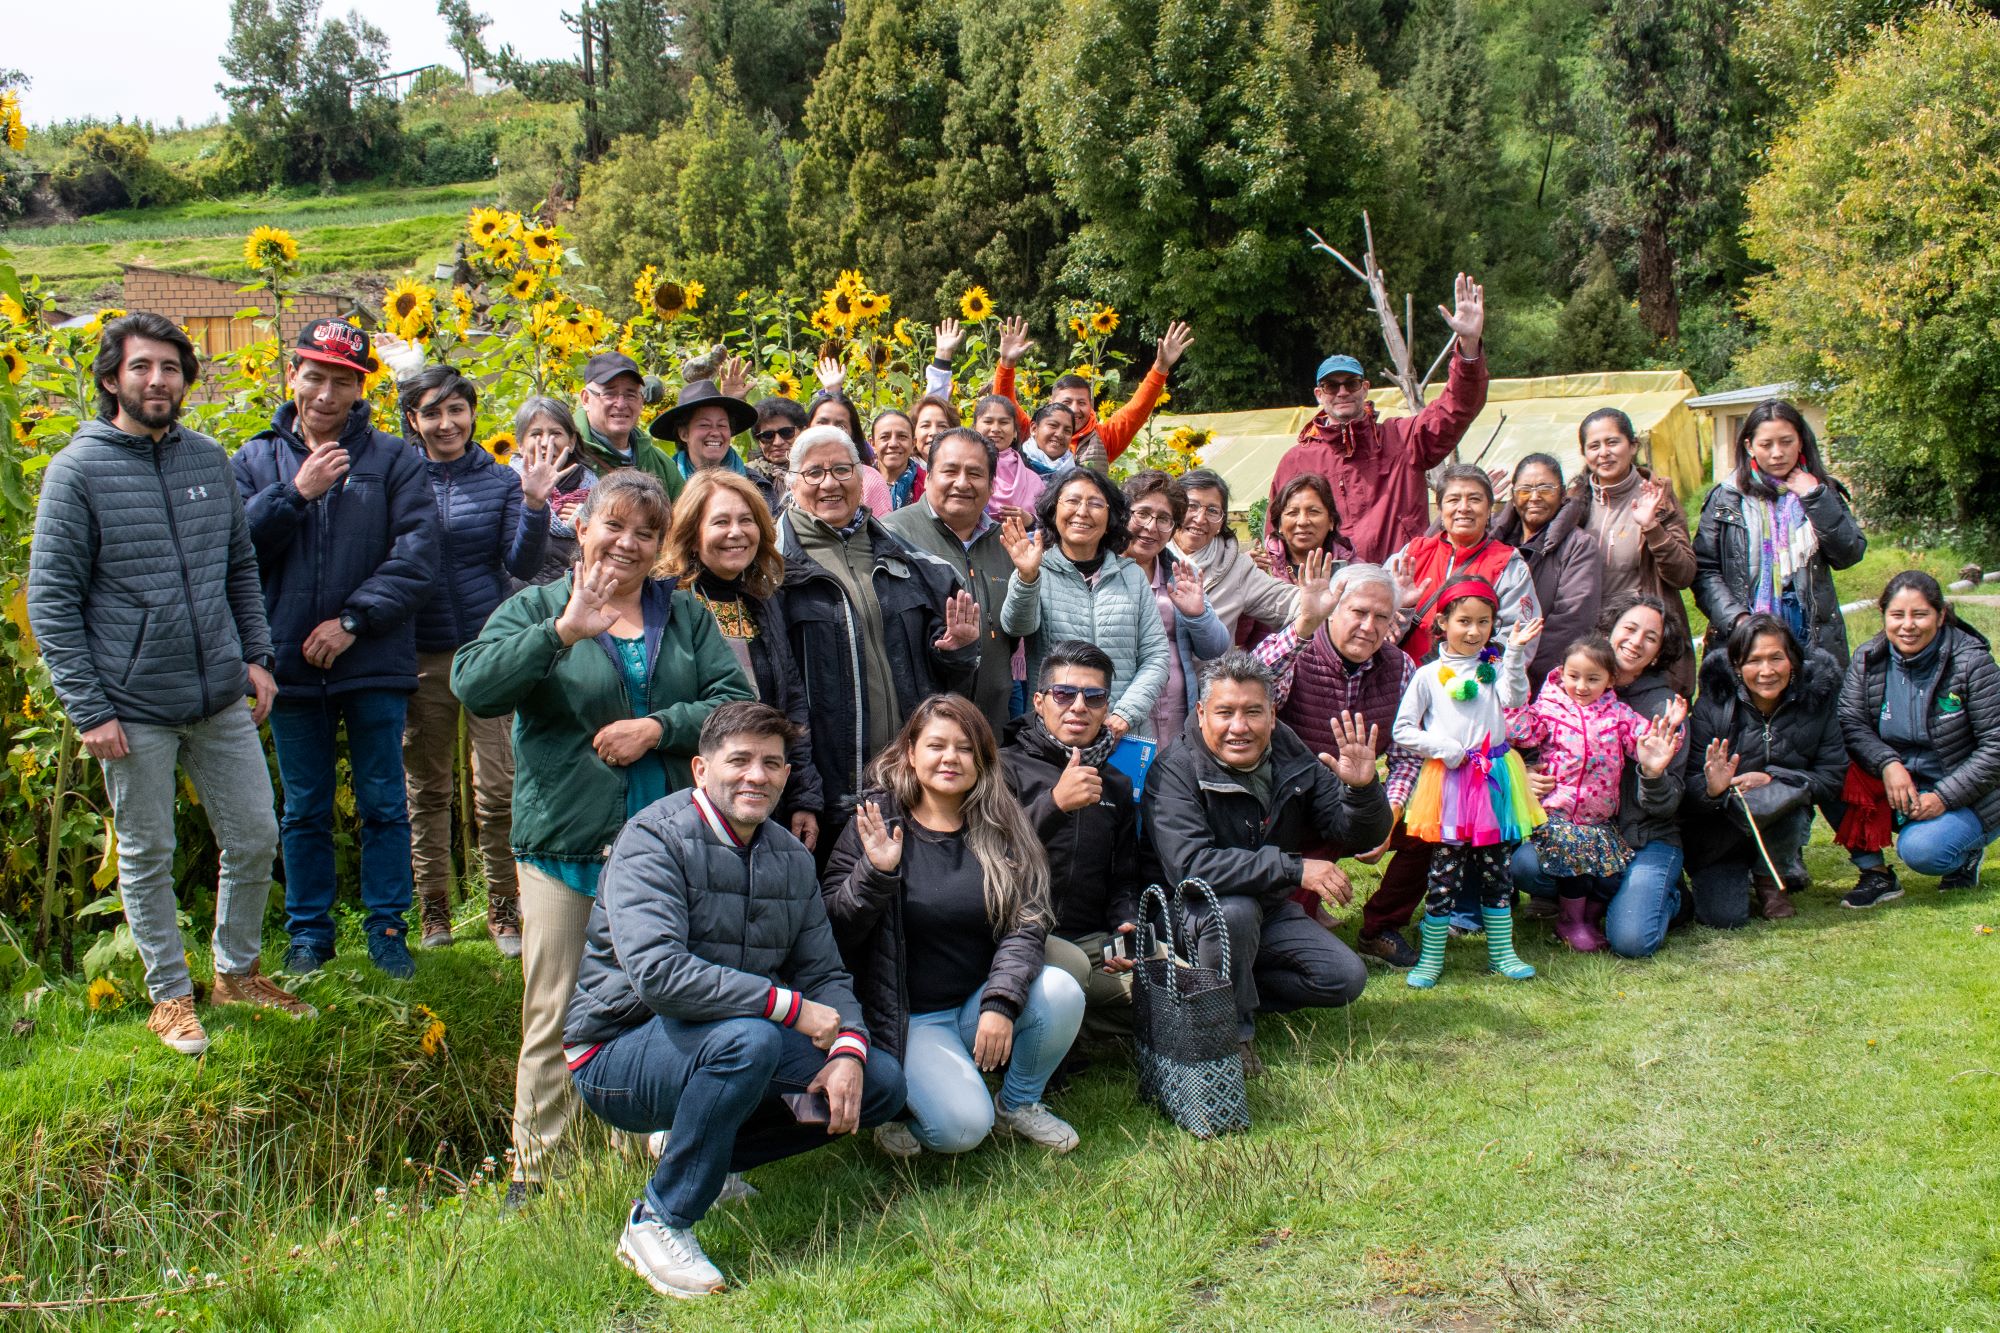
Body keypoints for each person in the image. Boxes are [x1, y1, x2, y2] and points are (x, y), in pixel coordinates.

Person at [452, 469, 753, 1209]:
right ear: (579, 528)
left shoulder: (680, 615)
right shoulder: (537, 606)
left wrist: (659, 727)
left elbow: (734, 700)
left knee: (667, 993)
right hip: (567, 839)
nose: (627, 542)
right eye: (612, 525)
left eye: (645, 533)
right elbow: (473, 685)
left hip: (666, 845)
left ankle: (651, 1141)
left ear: (659, 548)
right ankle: (538, 1164)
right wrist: (562, 634)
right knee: (554, 1002)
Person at [28, 312, 307, 1055]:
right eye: (143, 366)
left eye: (171, 368)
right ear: (112, 377)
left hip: (216, 691)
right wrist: (90, 707)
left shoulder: (208, 459)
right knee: (147, 853)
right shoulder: (77, 471)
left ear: (186, 379)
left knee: (253, 833)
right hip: (131, 704)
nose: (158, 380)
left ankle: (236, 972)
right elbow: (50, 599)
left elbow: (238, 566)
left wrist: (256, 654)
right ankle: (168, 996)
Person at [562, 702, 904, 1300]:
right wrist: (788, 1008)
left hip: (729, 1040)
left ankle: (702, 1153)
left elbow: (824, 971)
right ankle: (658, 1220)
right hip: (617, 1051)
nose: (757, 776)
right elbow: (659, 975)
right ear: (700, 769)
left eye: (772, 764)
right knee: (752, 1038)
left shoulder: (791, 857)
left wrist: (848, 1050)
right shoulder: (652, 839)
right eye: (739, 760)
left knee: (880, 1085)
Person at [231, 318, 437, 979]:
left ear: (359, 388)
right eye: (314, 376)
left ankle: (386, 930)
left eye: (341, 381)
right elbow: (235, 552)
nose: (325, 393)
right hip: (287, 663)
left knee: (382, 800)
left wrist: (352, 621)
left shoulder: (391, 458)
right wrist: (295, 494)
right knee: (304, 807)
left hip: (371, 659)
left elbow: (417, 555)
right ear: (292, 376)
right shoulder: (255, 459)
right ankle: (309, 934)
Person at [823, 695, 1085, 1155]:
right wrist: (876, 874)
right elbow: (835, 932)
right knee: (961, 1130)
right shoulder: (876, 820)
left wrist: (1000, 1003)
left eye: (965, 748)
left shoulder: (1000, 823)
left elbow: (1026, 925)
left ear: (983, 759)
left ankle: (1018, 1104)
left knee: (1061, 989)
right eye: (937, 745)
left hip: (973, 1004)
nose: (950, 758)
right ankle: (903, 1106)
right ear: (910, 752)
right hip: (907, 1019)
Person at [1145, 651, 1392, 1076]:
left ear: (1272, 715)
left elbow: (1354, 833)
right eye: (1225, 712)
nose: (1239, 727)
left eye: (1252, 712)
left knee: (1344, 978)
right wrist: (1294, 869)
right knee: (1234, 911)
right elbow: (1191, 867)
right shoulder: (1175, 769)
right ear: (1202, 713)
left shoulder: (1290, 752)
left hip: (1270, 908)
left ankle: (1225, 988)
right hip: (1189, 914)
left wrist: (1363, 791)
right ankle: (1229, 1035)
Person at [396, 367, 552, 954]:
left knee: (500, 785)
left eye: (456, 410)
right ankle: (433, 909)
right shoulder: (398, 476)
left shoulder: (497, 480)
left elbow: (521, 559)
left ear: (472, 414)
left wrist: (535, 503)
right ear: (413, 420)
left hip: (488, 650)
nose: (446, 424)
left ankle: (503, 908)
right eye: (431, 413)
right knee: (428, 786)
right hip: (422, 650)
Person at [777, 426, 983, 842]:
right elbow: (777, 694)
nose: (830, 483)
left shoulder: (913, 562)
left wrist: (957, 650)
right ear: (791, 482)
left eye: (841, 469)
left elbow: (949, 679)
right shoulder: (773, 571)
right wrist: (803, 793)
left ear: (861, 475)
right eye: (814, 473)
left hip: (909, 786)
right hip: (825, 796)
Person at [1253, 564, 1425, 967]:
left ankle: (1381, 926)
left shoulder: (1401, 669)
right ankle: (1299, 912)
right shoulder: (1297, 651)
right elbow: (1251, 682)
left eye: (1381, 617)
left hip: (1355, 801)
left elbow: (1405, 756)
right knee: (1291, 926)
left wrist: (1391, 815)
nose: (1368, 626)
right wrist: (1302, 627)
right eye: (1358, 612)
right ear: (1333, 609)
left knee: (1427, 828)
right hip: (1289, 809)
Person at [1513, 594, 1694, 959]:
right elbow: (1526, 736)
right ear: (1609, 633)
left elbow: (1668, 799)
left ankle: (1669, 897)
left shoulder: (1661, 708)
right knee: (1526, 864)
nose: (1636, 640)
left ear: (1658, 653)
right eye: (1629, 628)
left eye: (1650, 637)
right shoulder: (1563, 693)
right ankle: (1574, 905)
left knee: (1631, 941)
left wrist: (1653, 771)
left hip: (1645, 838)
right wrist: (1525, 774)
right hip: (1576, 826)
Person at [1269, 274, 1489, 563]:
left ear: (1365, 388)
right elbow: (1276, 535)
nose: (1342, 392)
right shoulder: (1296, 460)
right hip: (1332, 592)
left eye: (1351, 383)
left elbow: (1457, 407)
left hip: (1402, 586)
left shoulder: (1404, 439)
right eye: (1331, 386)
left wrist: (1469, 346)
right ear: (1318, 394)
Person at [1391, 580, 1546, 987]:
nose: (1474, 631)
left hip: (1495, 782)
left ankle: (1502, 953)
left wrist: (1512, 654)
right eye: (1463, 621)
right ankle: (1431, 958)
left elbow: (1514, 700)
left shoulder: (1493, 668)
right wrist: (1442, 746)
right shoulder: (1427, 676)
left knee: (1498, 870)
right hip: (1451, 785)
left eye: (1483, 622)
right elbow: (1403, 730)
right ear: (1443, 622)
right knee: (1445, 869)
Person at [658, 469, 823, 850]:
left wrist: (803, 797)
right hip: (687, 799)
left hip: (761, 792)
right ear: (692, 534)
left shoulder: (763, 602)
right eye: (721, 521)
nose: (736, 532)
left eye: (746, 520)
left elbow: (791, 707)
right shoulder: (665, 606)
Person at [1001, 641, 1146, 1035]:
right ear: (1038, 701)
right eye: (1064, 693)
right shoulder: (1004, 767)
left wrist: (1125, 924)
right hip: (1017, 939)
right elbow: (987, 854)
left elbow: (1124, 876)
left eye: (1094, 696)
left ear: (1106, 707)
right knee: (1075, 972)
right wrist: (1055, 804)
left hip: (1094, 941)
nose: (1079, 706)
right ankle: (1055, 1025)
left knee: (1176, 984)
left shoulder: (1116, 782)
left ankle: (1069, 1022)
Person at [1837, 571, 2000, 907]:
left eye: (1920, 614)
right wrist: (1888, 763)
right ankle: (1874, 873)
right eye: (1897, 615)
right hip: (1901, 785)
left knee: (1922, 851)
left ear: (1940, 616)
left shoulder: (1973, 663)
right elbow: (1851, 723)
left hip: (1968, 793)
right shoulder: (1868, 659)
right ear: (1884, 616)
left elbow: (1996, 747)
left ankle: (1966, 851)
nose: (1907, 625)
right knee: (1830, 767)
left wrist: (1943, 796)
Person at [1682, 615, 1848, 926]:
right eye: (1754, 661)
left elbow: (1832, 777)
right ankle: (1730, 877)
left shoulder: (1816, 704)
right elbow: (1686, 792)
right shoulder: (1711, 708)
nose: (1767, 671)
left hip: (1780, 821)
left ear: (1793, 662)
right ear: (1736, 666)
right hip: (1721, 831)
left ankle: (1770, 880)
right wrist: (1712, 789)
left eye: (1776, 658)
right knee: (1724, 917)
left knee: (1790, 800)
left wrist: (1773, 778)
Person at [999, 469, 1172, 739]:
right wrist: (1027, 577)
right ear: (1053, 512)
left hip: (1123, 733)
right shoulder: (1035, 568)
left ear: (1110, 517)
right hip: (1057, 731)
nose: (1082, 511)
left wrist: (1124, 715)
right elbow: (1016, 626)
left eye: (1095, 504)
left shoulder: (1131, 575)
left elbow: (1156, 657)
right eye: (1072, 501)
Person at [1694, 399, 1867, 666]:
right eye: (1766, 444)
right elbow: (1705, 570)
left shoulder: (1821, 490)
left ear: (1801, 441)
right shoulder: (1726, 497)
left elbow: (1848, 554)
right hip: (1743, 630)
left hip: (1810, 631)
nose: (1777, 453)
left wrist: (1814, 497)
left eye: (1786, 442)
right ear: (1749, 447)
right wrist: (1737, 620)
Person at [880, 428, 1018, 735]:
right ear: (928, 477)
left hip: (989, 723)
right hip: (917, 725)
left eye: (975, 473)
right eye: (950, 471)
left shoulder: (1006, 542)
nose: (962, 483)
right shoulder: (892, 536)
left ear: (992, 485)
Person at [1572, 408, 1698, 694]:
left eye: (1612, 442)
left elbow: (1684, 575)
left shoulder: (1656, 498)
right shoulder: (1575, 503)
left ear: (1633, 446)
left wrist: (1652, 527)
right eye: (1594, 446)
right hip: (1592, 648)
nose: (1603, 453)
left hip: (1641, 646)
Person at [990, 315, 1195, 471]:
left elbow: (1136, 411)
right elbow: (1003, 407)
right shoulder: (1030, 432)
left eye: (1082, 402)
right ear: (1050, 403)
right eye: (1066, 401)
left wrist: (1160, 368)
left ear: (1091, 406)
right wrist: (1007, 364)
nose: (1074, 409)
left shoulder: (1103, 439)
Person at [1121, 470, 1231, 743]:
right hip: (1124, 709)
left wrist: (1198, 615)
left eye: (1164, 519)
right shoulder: (1102, 572)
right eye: (1142, 513)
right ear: (1123, 515)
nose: (1151, 527)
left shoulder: (1179, 573)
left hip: (1175, 709)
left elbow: (1215, 647)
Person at [1389, 465, 1540, 663]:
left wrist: (1477, 676)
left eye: (1475, 499)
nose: (1464, 508)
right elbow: (1378, 627)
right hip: (1403, 682)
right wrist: (1397, 608)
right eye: (1453, 499)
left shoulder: (1507, 565)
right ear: (1441, 509)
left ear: (1489, 510)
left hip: (1472, 687)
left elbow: (1517, 641)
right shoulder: (1412, 554)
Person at [1490, 453, 1602, 692]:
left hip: (1538, 680)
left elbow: (1571, 621)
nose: (1534, 497)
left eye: (1545, 488)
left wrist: (1516, 668)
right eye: (1525, 489)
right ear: (1512, 495)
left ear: (1563, 495)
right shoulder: (1495, 538)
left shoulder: (1579, 545)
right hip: (1487, 671)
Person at [1172, 468, 1299, 641]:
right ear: (1174, 509)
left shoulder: (1236, 568)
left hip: (1209, 668)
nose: (1200, 519)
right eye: (1191, 506)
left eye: (1212, 511)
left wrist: (1325, 599)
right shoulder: (1150, 554)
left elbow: (1287, 602)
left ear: (1221, 522)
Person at [574, 351, 684, 503]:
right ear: (586, 399)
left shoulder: (661, 465)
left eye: (630, 395)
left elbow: (685, 523)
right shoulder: (566, 453)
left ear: (641, 402)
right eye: (610, 394)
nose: (621, 404)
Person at [510, 396, 596, 586]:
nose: (546, 442)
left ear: (572, 441)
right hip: (527, 601)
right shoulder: (507, 487)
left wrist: (591, 523)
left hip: (582, 596)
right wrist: (533, 506)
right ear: (520, 444)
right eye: (536, 434)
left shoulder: (596, 491)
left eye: (556, 433)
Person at [651, 378, 767, 506]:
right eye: (705, 425)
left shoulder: (757, 485)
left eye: (722, 425)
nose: (715, 433)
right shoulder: (662, 487)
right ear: (684, 434)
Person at [805, 389, 895, 516]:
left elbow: (883, 531)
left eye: (840, 426)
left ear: (853, 433)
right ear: (807, 427)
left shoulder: (870, 480)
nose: (831, 430)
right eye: (822, 423)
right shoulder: (796, 475)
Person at [975, 392, 1045, 524]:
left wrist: (1030, 521)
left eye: (1004, 422)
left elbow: (1050, 525)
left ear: (1014, 433)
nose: (995, 429)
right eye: (988, 421)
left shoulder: (1033, 480)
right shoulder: (963, 470)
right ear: (974, 428)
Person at [748, 396, 807, 506]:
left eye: (786, 432)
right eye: (767, 436)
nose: (777, 442)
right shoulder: (748, 477)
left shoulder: (819, 471)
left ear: (803, 432)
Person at [872, 408, 925, 510]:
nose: (893, 444)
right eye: (885, 437)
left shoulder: (928, 485)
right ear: (873, 444)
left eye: (902, 436)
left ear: (913, 443)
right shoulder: (860, 482)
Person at [1022, 401, 1079, 477]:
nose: (1060, 435)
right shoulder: (1015, 464)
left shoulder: (1076, 476)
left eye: (1067, 431)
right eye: (1053, 425)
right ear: (1034, 429)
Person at [911, 394, 960, 464]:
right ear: (913, 433)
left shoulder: (964, 470)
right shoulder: (900, 471)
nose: (934, 432)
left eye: (942, 426)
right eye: (925, 425)